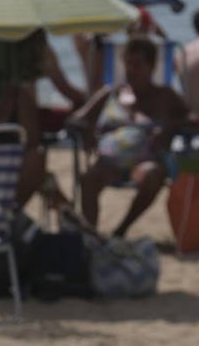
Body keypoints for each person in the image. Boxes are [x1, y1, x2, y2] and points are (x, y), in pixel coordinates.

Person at [73, 36, 191, 237]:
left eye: (137, 65)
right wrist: (87, 135)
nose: (131, 70)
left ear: (151, 67)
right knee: (88, 179)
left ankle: (121, 229)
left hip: (143, 162)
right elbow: (77, 119)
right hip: (108, 163)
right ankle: (90, 236)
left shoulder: (164, 96)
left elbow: (194, 120)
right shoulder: (112, 93)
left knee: (153, 174)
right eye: (128, 64)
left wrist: (169, 128)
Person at [0, 29, 85, 207]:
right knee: (36, 162)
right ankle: (61, 210)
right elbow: (68, 91)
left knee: (37, 169)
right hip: (23, 136)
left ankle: (62, 209)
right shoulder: (37, 51)